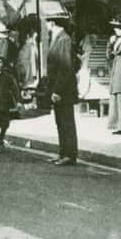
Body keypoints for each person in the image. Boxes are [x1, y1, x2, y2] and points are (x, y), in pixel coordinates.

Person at [45, 13, 78, 166]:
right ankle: (63, 153)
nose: (46, 26)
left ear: (52, 23)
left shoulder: (63, 39)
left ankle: (69, 155)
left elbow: (65, 67)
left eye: (47, 22)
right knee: (60, 122)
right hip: (59, 89)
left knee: (66, 122)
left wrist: (57, 91)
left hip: (63, 91)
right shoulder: (59, 38)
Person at [106, 15, 121, 134]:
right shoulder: (114, 40)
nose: (115, 29)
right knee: (116, 98)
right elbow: (108, 56)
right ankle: (118, 125)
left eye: (117, 27)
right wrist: (110, 44)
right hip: (116, 71)